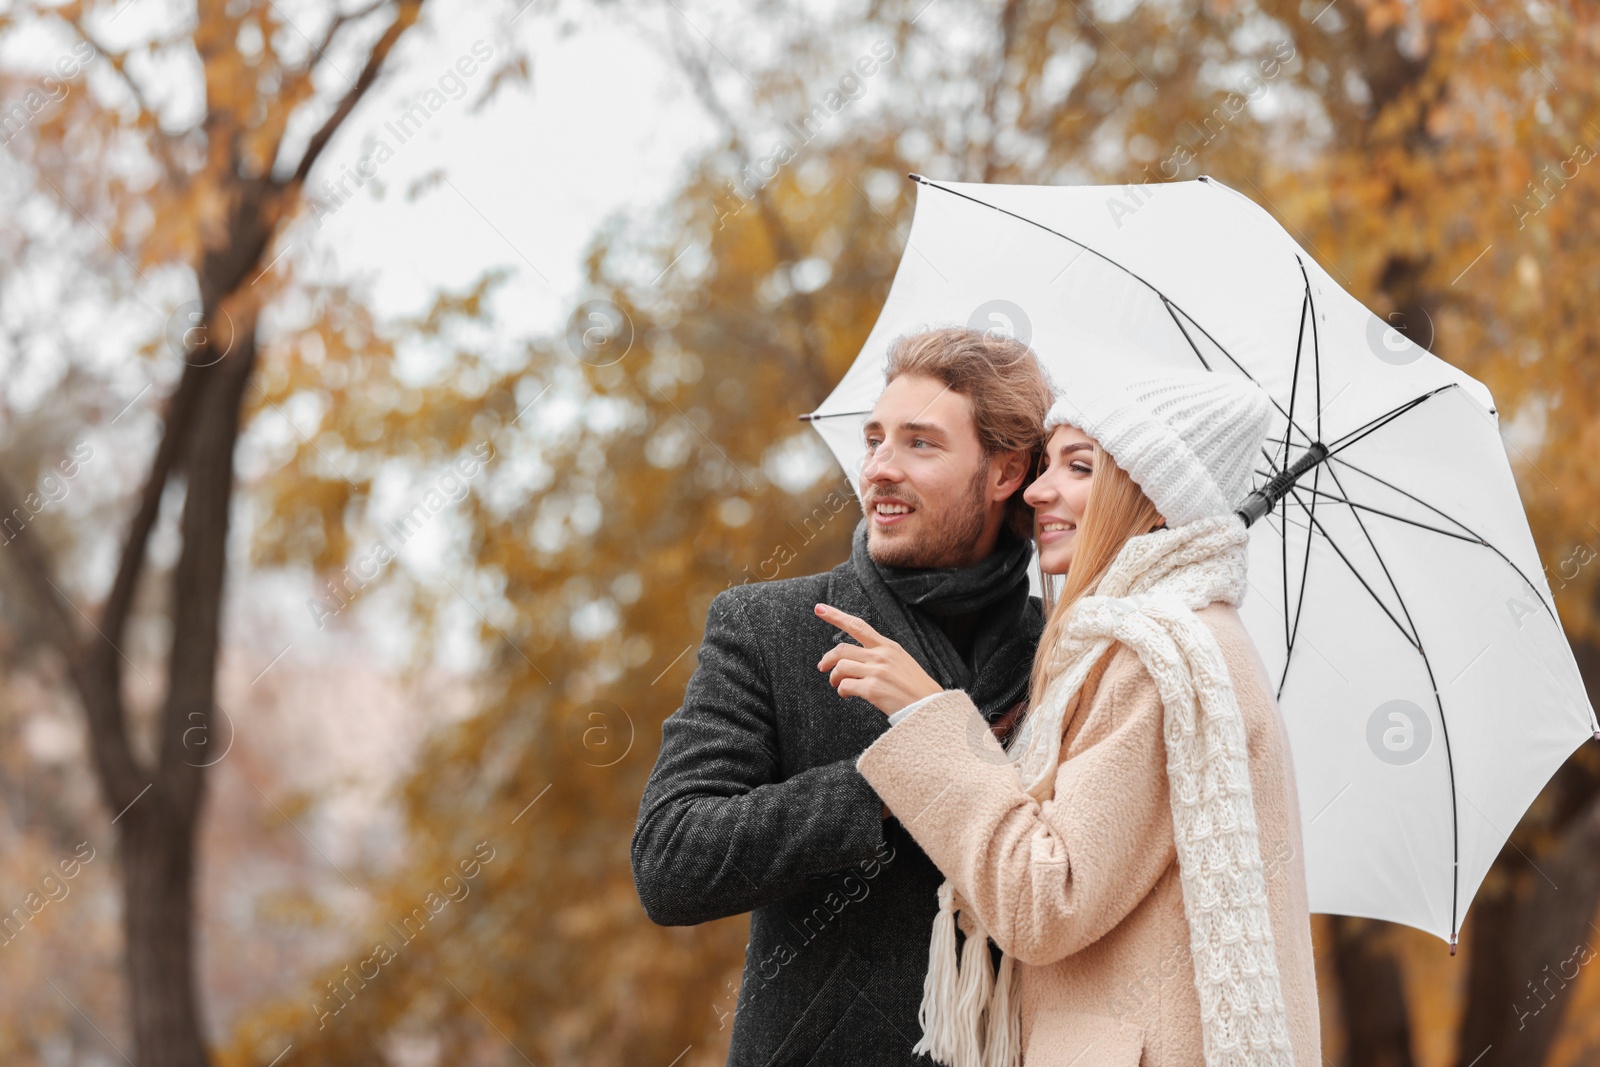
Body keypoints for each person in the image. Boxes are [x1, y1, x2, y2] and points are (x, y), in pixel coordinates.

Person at [819, 368, 1322, 1066]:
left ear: (1153, 498)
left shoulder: (1160, 658)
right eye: (1045, 462)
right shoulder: (1153, 642)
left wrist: (928, 715)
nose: (1036, 490)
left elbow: (1043, 898)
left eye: (1079, 466)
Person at [631, 326, 1056, 1066]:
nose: (880, 469)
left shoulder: (1063, 650)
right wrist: (886, 779)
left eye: (920, 444)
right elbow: (671, 860)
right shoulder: (769, 627)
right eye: (874, 439)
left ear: (1005, 471)